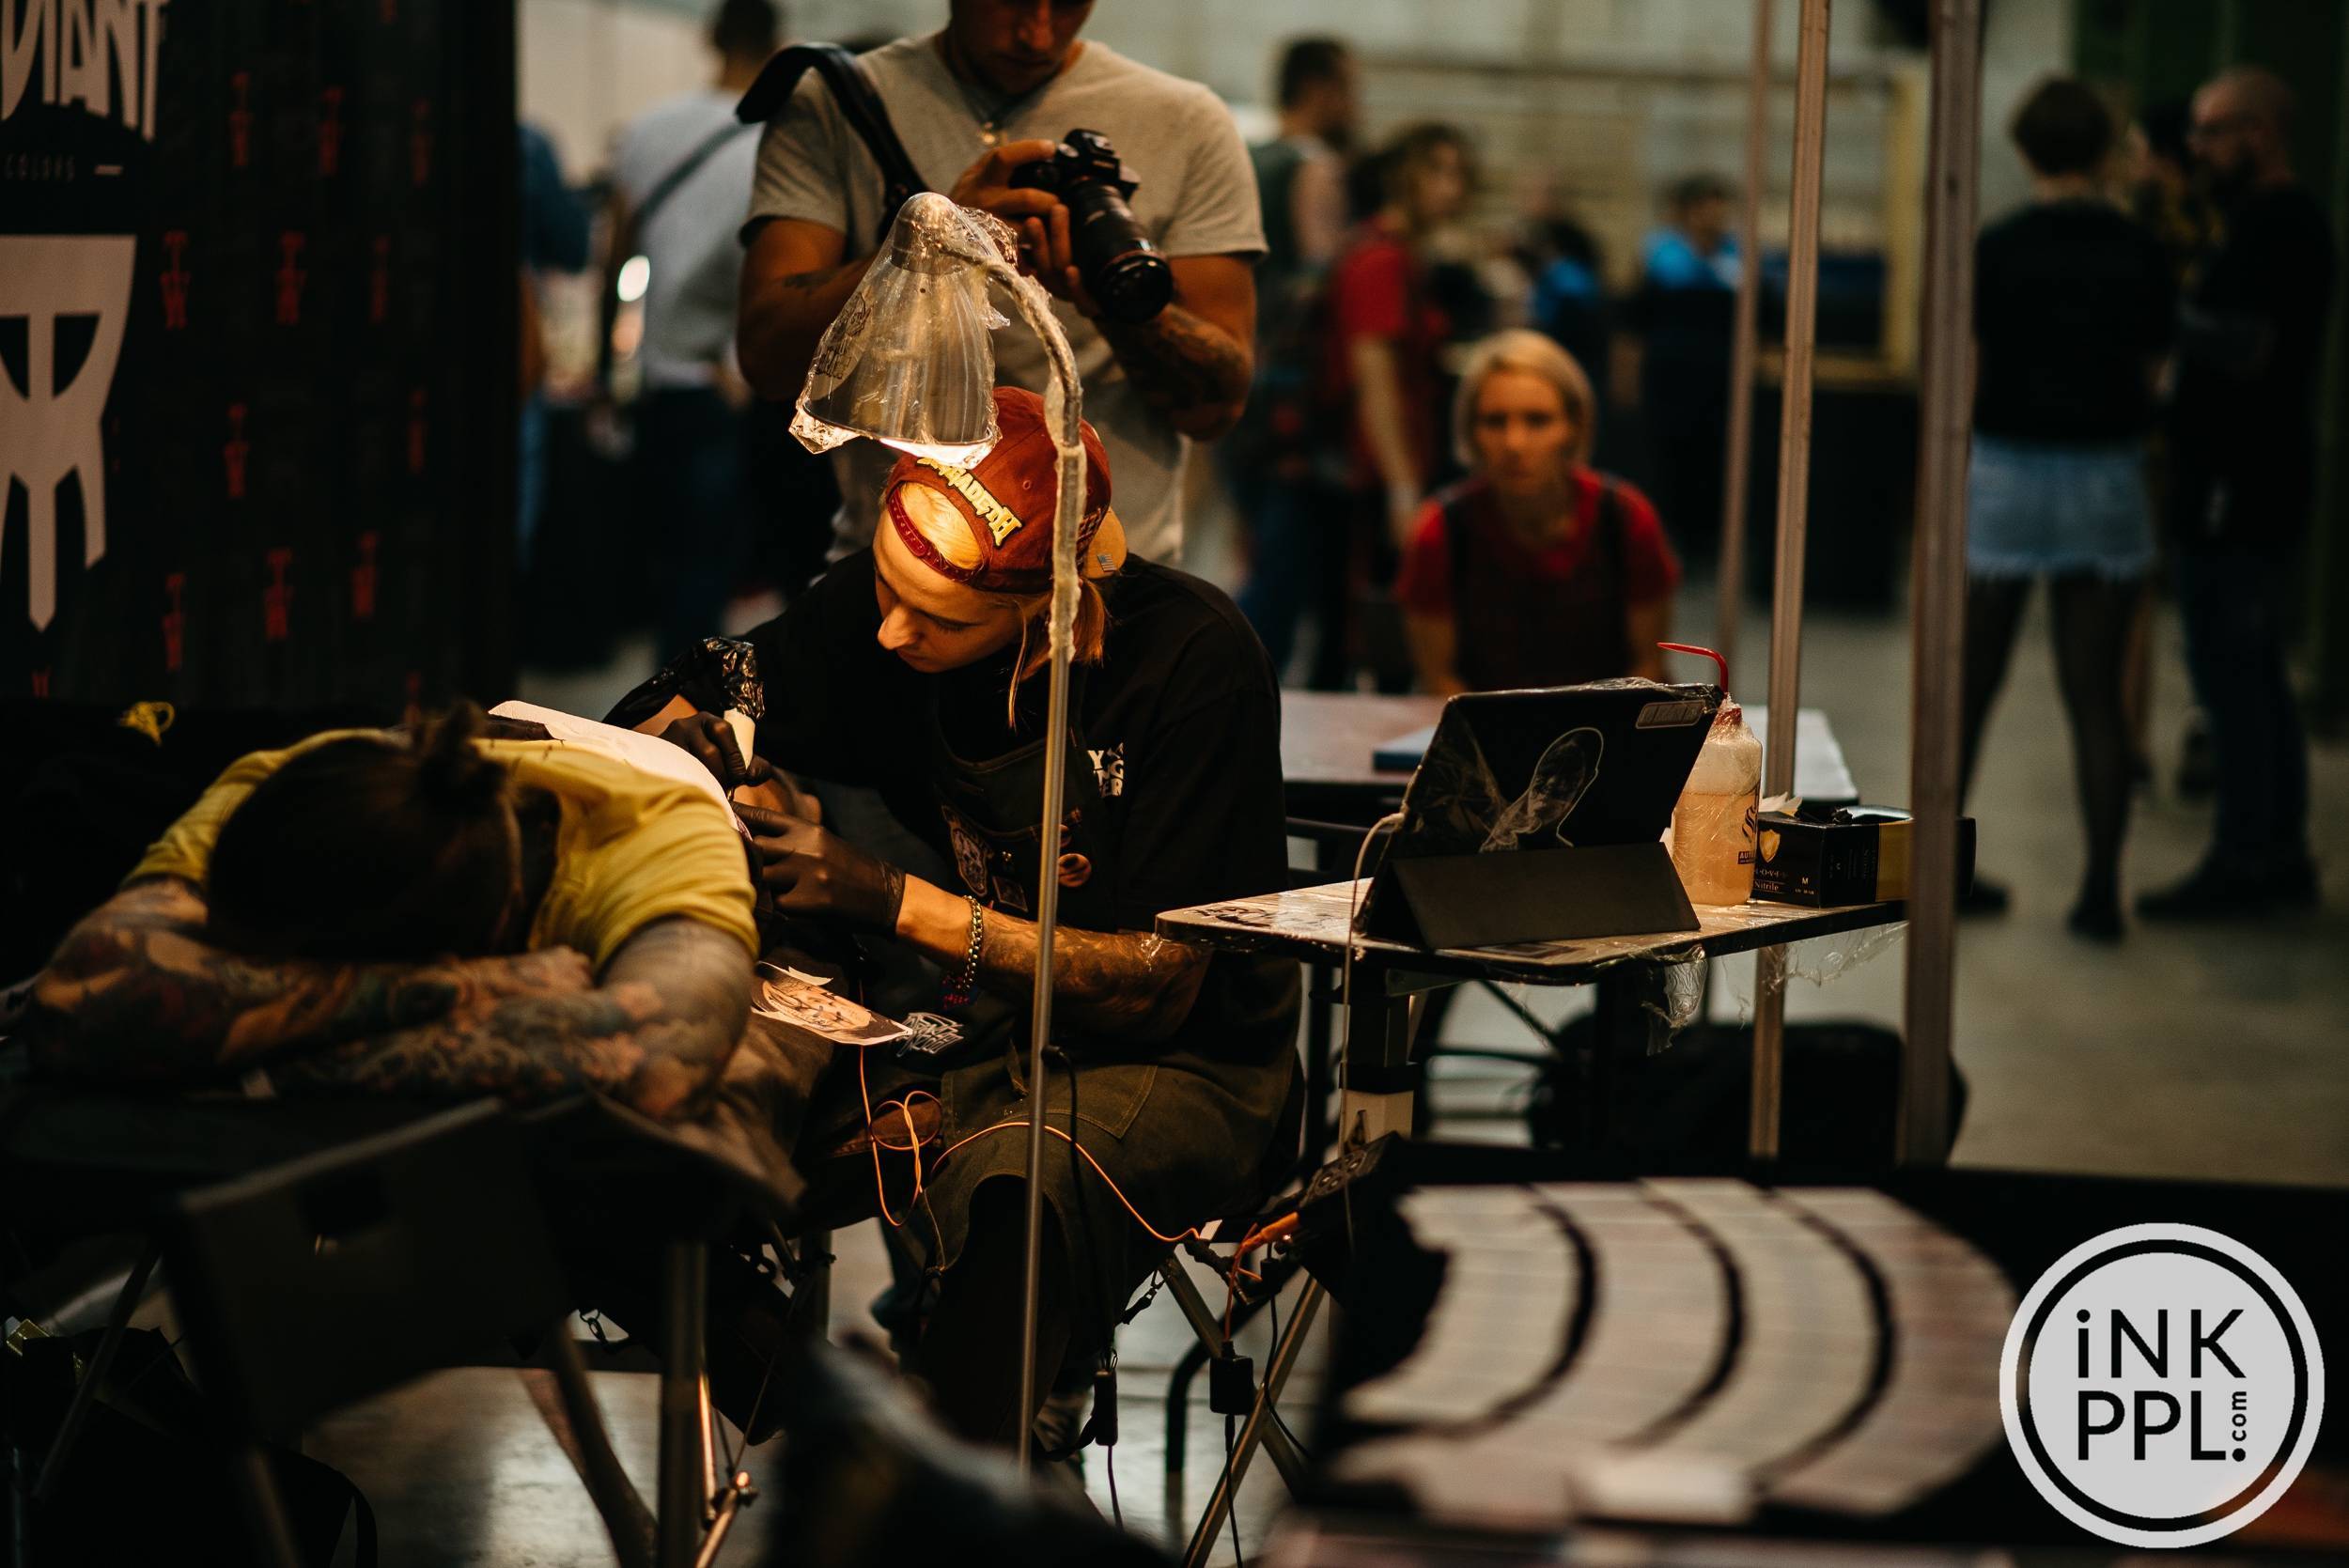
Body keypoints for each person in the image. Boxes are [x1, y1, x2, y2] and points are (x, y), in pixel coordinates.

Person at [636, 387, 1299, 1449]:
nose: (891, 630)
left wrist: (886, 896)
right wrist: (687, 752)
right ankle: (816, 1409)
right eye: (885, 592)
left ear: (1049, 610)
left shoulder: (1192, 660)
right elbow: (693, 692)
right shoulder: (889, 614)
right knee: (648, 1138)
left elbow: (1155, 983)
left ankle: (942, 1483)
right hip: (973, 1017)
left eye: (941, 620)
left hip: (1180, 1058)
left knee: (1021, 1190)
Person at [26, 705, 758, 1118]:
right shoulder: (292, 777)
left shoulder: (660, 836)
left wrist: (252, 1034)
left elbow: (661, 1062)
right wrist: (471, 988)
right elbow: (75, 993)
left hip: (688, 790)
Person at [736, 0, 1263, 567]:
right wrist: (935, 236)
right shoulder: (836, 101)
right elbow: (767, 360)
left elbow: (1216, 410)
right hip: (898, 577)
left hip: (1108, 583)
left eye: (1067, 3)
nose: (1037, 34)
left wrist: (1110, 300)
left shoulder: (1186, 121)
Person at [1958, 78, 2174, 942]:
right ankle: (2100, 890)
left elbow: (1970, 366)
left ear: (2024, 150)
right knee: (2095, 694)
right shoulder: (2140, 248)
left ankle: (1942, 873)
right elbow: (2156, 371)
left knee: (1971, 684)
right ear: (2105, 150)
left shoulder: (1999, 244)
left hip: (2006, 471)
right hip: (2104, 476)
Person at [2139, 67, 2335, 919]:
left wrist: (2158, 315)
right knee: (2243, 673)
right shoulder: (2251, 221)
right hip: (2232, 476)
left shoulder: (2280, 224)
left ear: (2259, 133)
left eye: (2212, 131)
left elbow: (2251, 346)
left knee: (2235, 677)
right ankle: (2273, 851)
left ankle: (2249, 856)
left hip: (2242, 482)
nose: (2197, 148)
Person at [610, 0, 785, 655]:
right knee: (711, 563)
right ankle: (687, 694)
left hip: (657, 379)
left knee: (668, 552)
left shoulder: (649, 129)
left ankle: (663, 685)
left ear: (711, 39)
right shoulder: (776, 141)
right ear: (777, 45)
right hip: (728, 380)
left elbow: (617, 258)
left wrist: (609, 367)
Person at [1395, 330, 1679, 694]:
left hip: (1610, 724)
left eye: (1537, 420)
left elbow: (1649, 666)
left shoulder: (1625, 518)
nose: (1515, 443)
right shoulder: (1440, 531)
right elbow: (1439, 680)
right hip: (1480, 726)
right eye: (1495, 421)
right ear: (1470, 431)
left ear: (1574, 426)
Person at [1322, 121, 1472, 688]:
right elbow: (1375, 381)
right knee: (1364, 641)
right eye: (1438, 171)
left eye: (1460, 174)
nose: (1453, 188)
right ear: (1403, 177)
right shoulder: (1380, 259)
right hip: (1369, 478)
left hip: (1387, 470)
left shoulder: (1405, 254)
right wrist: (1402, 489)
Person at [1231, 36, 1357, 681]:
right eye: (1349, 87)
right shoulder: (1315, 166)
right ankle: (1236, 683)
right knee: (1288, 564)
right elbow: (1320, 278)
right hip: (1293, 395)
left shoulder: (1244, 158)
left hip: (1238, 374)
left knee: (1260, 546)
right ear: (1319, 88)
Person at [1624, 172, 1737, 567]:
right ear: (1688, 212)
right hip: (1670, 377)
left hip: (1720, 380)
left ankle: (1706, 544)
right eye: (1706, 207)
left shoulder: (1735, 260)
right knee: (1669, 460)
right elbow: (1634, 320)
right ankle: (1664, 540)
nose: (1714, 216)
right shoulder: (1662, 258)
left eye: (1720, 208)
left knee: (1713, 462)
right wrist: (1629, 375)